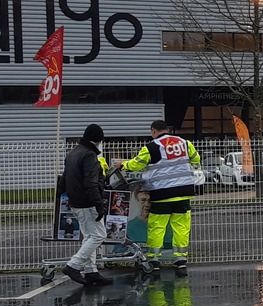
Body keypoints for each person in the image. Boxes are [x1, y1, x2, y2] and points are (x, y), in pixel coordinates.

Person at [121, 120, 202, 268]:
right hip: (184, 192)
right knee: (181, 227)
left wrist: (123, 164)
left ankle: (154, 259)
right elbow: (196, 159)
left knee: (157, 227)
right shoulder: (184, 143)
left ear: (153, 131)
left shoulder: (151, 147)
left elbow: (136, 164)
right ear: (167, 129)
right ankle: (180, 260)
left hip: (162, 194)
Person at [61, 124, 112, 286]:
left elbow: (64, 178)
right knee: (99, 235)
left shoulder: (72, 153)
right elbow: (91, 183)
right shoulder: (89, 156)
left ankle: (91, 271)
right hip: (88, 202)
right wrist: (99, 204)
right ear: (98, 139)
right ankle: (73, 265)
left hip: (75, 202)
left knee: (89, 235)